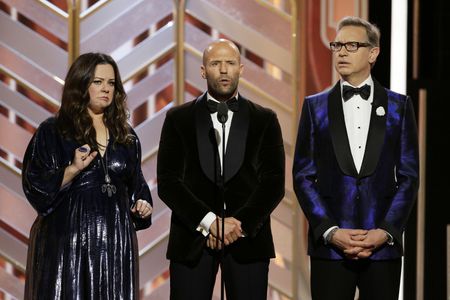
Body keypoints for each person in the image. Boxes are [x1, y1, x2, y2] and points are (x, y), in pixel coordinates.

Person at [293, 16, 419, 300]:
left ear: (373, 53)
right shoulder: (315, 107)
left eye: (351, 45)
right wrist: (329, 230)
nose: (342, 52)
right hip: (331, 248)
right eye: (337, 45)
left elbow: (409, 176)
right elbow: (303, 175)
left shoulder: (400, 107)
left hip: (382, 248)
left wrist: (386, 231)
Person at [157, 39, 285, 300]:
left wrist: (238, 225)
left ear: (241, 68)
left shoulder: (265, 119)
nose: (224, 70)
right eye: (216, 63)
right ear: (203, 71)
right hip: (192, 240)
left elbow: (273, 182)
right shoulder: (178, 119)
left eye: (230, 63)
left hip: (248, 240)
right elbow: (169, 182)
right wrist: (210, 222)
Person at [22, 52, 153, 300]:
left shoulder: (127, 136)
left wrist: (142, 204)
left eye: (111, 83)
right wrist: (72, 169)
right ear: (81, 85)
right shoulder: (53, 130)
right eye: (97, 82)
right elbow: (35, 186)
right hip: (67, 242)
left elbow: (137, 187)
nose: (106, 89)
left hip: (114, 242)